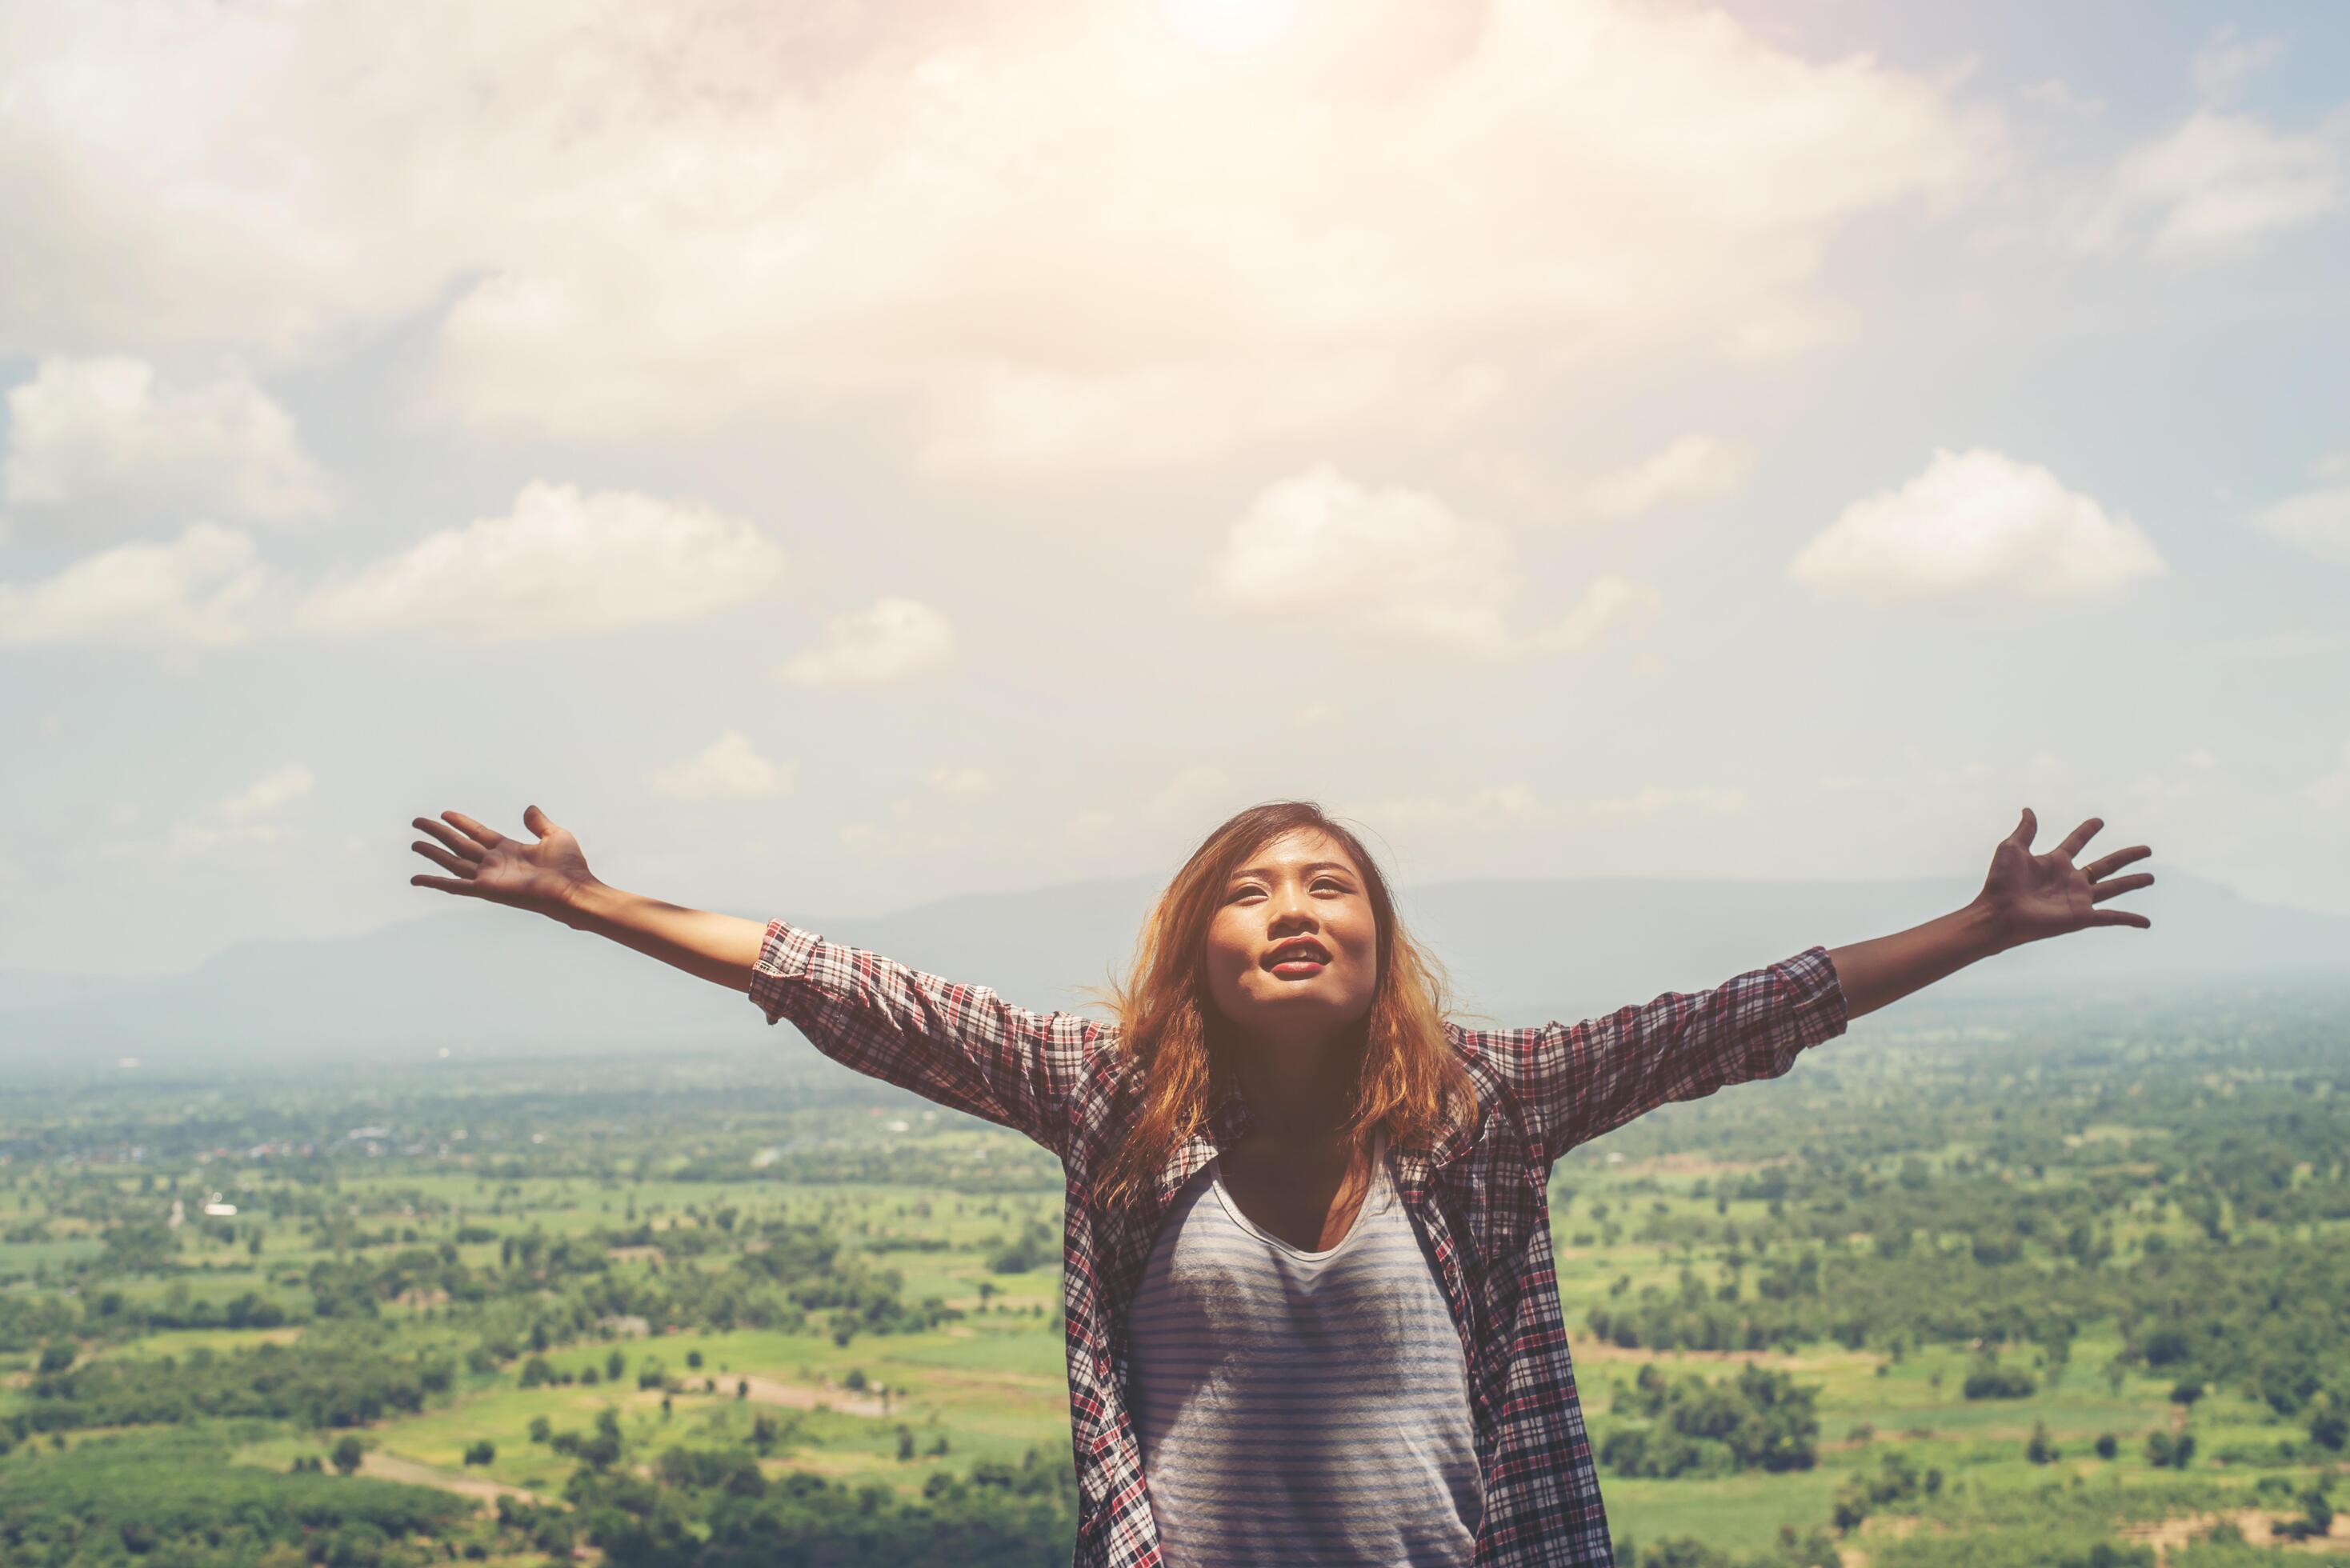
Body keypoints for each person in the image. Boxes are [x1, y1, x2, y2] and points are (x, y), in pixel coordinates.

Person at [409, 797, 2152, 1566]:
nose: (1293, 903)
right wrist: (590, 899)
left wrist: (1983, 927)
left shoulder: (1483, 1108)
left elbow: (1740, 1018)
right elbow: (839, 982)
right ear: (1198, 941)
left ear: (1377, 937)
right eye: (1250, 886)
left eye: (1328, 880)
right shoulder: (1100, 1096)